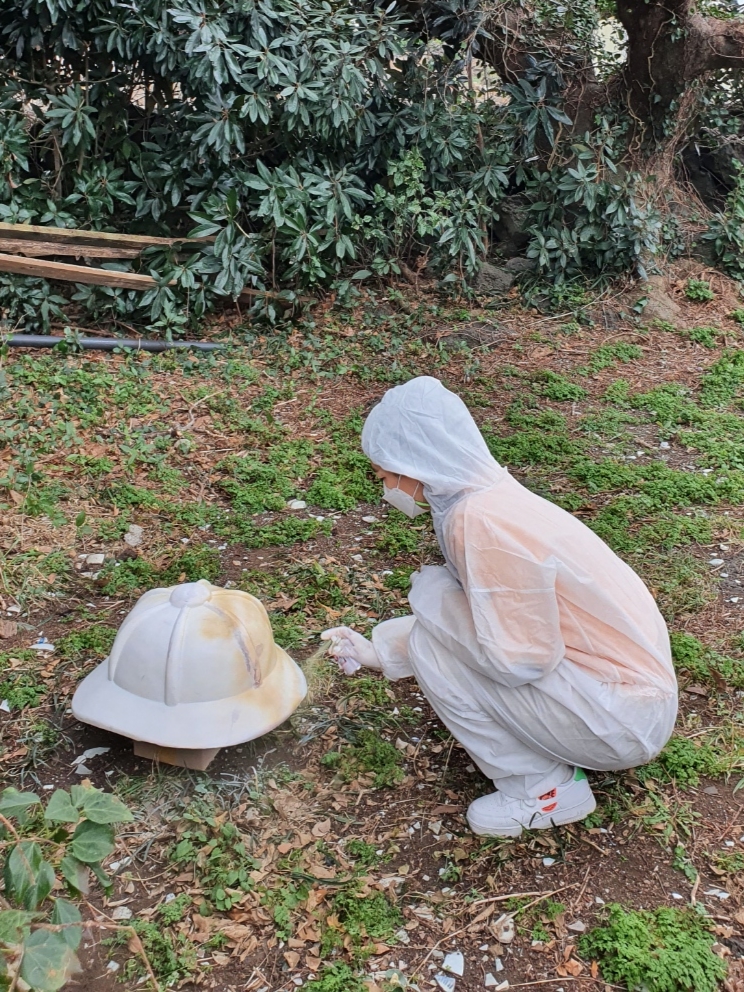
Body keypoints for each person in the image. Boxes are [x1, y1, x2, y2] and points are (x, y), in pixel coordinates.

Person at [321, 376, 678, 838]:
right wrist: (381, 650)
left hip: (618, 720)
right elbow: (492, 624)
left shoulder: (481, 523)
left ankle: (545, 791)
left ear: (415, 463)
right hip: (626, 698)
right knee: (437, 624)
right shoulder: (492, 498)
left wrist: (429, 597)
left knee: (433, 639)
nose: (387, 487)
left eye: (386, 474)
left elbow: (518, 658)